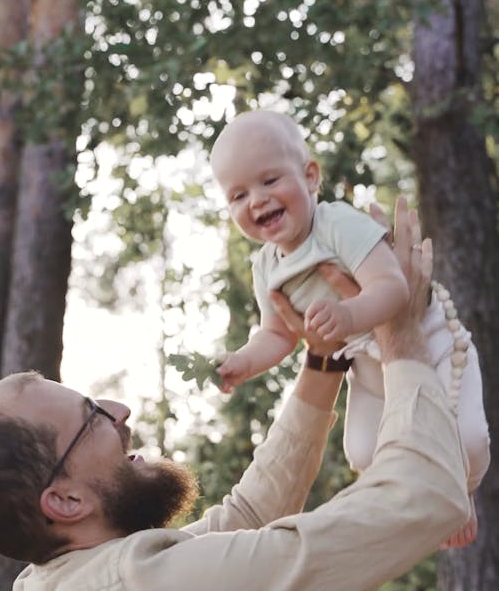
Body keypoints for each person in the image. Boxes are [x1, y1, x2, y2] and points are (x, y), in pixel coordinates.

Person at [0, 199, 470, 591]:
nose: (121, 412)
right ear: (65, 501)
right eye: (93, 417)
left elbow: (247, 514)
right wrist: (400, 334)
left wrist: (323, 362)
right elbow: (424, 499)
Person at [210, 109, 490, 548]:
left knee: (467, 438)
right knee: (362, 452)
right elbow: (278, 334)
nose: (257, 200)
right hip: (367, 367)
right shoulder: (265, 265)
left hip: (431, 345)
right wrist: (243, 362)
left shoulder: (336, 224)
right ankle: (422, 511)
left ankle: (462, 493)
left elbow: (393, 287)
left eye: (269, 180)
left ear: (309, 176)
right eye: (238, 195)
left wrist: (349, 315)